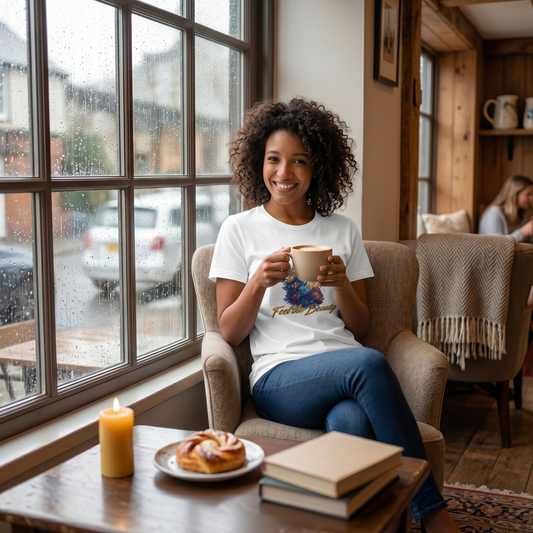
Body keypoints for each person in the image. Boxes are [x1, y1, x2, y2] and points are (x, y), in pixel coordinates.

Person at [209, 98, 461, 533]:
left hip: (342, 368)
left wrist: (342, 283)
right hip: (280, 378)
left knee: (352, 422)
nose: (284, 173)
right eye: (274, 159)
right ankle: (431, 510)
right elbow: (228, 331)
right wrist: (257, 284)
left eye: (299, 161)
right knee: (368, 362)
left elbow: (359, 327)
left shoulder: (341, 229)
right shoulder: (239, 229)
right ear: (258, 162)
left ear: (318, 167)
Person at [479, 174, 533, 242]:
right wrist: (522, 233)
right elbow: (496, 245)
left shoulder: (525, 211)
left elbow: (528, 241)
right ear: (515, 194)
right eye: (528, 194)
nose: (531, 199)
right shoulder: (494, 212)